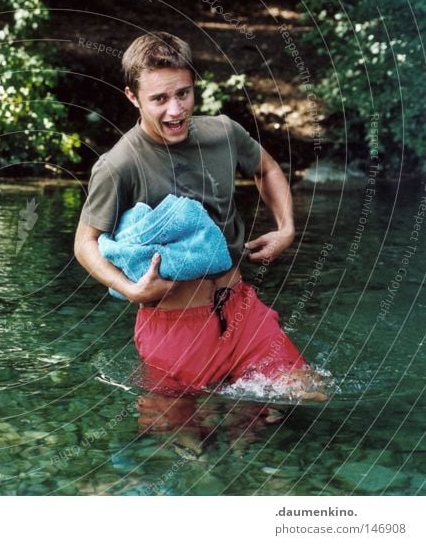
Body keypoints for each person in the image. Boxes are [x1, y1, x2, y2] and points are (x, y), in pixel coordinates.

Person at [74, 32, 325, 399]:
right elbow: (85, 243)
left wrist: (286, 229)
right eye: (159, 99)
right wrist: (130, 290)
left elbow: (266, 169)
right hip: (174, 328)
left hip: (242, 314)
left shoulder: (223, 133)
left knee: (309, 395)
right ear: (133, 97)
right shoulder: (118, 165)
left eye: (183, 94)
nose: (175, 110)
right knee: (184, 445)